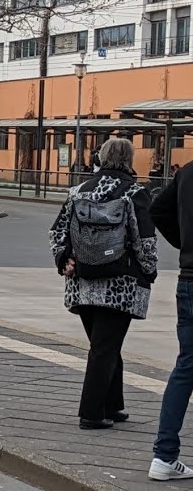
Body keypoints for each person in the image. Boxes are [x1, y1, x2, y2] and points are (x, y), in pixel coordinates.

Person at [49, 138, 158, 431]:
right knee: (105, 347)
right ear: (129, 160)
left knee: (106, 344)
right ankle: (92, 413)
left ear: (101, 157)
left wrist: (63, 260)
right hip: (120, 285)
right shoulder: (135, 193)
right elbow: (145, 240)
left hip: (82, 282)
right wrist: (149, 272)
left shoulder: (78, 191)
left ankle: (113, 404)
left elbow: (58, 232)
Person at [149, 163, 193, 479]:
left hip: (189, 279)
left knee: (185, 367)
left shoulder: (187, 172)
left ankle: (164, 456)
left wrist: (184, 241)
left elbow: (157, 209)